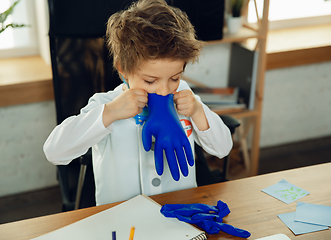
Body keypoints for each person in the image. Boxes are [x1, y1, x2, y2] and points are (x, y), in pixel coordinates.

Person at [43, 0, 232, 206]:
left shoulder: (185, 98)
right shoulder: (106, 104)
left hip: (180, 218)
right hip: (122, 223)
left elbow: (222, 148)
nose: (164, 90)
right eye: (150, 81)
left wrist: (197, 110)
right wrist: (109, 113)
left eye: (174, 78)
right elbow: (54, 152)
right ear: (123, 69)